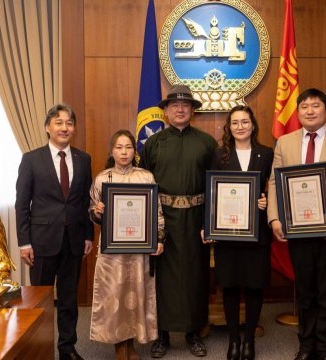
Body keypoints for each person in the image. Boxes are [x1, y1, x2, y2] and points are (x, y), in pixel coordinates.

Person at [267, 88, 326, 360]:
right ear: (297, 112)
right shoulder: (284, 142)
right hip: (298, 230)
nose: (310, 111)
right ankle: (306, 346)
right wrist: (275, 217)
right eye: (304, 107)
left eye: (316, 106)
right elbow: (275, 182)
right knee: (306, 292)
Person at [139, 84, 217, 358]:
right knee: (162, 280)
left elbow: (215, 187)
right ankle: (161, 336)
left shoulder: (207, 143)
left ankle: (194, 333)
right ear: (166, 111)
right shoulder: (153, 143)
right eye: (175, 105)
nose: (180, 109)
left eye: (186, 105)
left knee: (196, 277)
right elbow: (142, 185)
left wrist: (210, 222)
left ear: (193, 110)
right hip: (163, 221)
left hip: (196, 220)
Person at [15, 103, 94, 360]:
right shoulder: (31, 159)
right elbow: (22, 203)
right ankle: (39, 348)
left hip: (73, 241)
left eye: (69, 123)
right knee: (40, 299)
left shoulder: (83, 159)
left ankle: (67, 348)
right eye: (58, 122)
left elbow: (85, 201)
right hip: (41, 242)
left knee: (69, 299)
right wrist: (24, 242)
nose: (64, 127)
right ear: (47, 127)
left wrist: (88, 235)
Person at [89, 129, 165, 360]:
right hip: (112, 252)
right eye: (119, 147)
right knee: (114, 295)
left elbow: (157, 212)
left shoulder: (146, 177)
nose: (124, 152)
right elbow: (93, 213)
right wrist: (98, 211)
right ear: (112, 151)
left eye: (128, 147)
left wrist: (159, 238)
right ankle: (119, 347)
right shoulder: (103, 178)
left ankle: (131, 344)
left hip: (139, 248)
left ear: (135, 151)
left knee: (135, 293)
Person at [205, 105, 273, 360]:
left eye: (245, 121)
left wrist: (266, 201)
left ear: (253, 125)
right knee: (230, 286)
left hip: (256, 232)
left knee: (255, 286)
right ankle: (233, 340)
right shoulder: (219, 155)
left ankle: (249, 342)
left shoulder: (266, 154)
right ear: (229, 128)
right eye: (235, 122)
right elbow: (211, 192)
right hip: (228, 233)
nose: (240, 126)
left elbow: (272, 188)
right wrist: (209, 225)